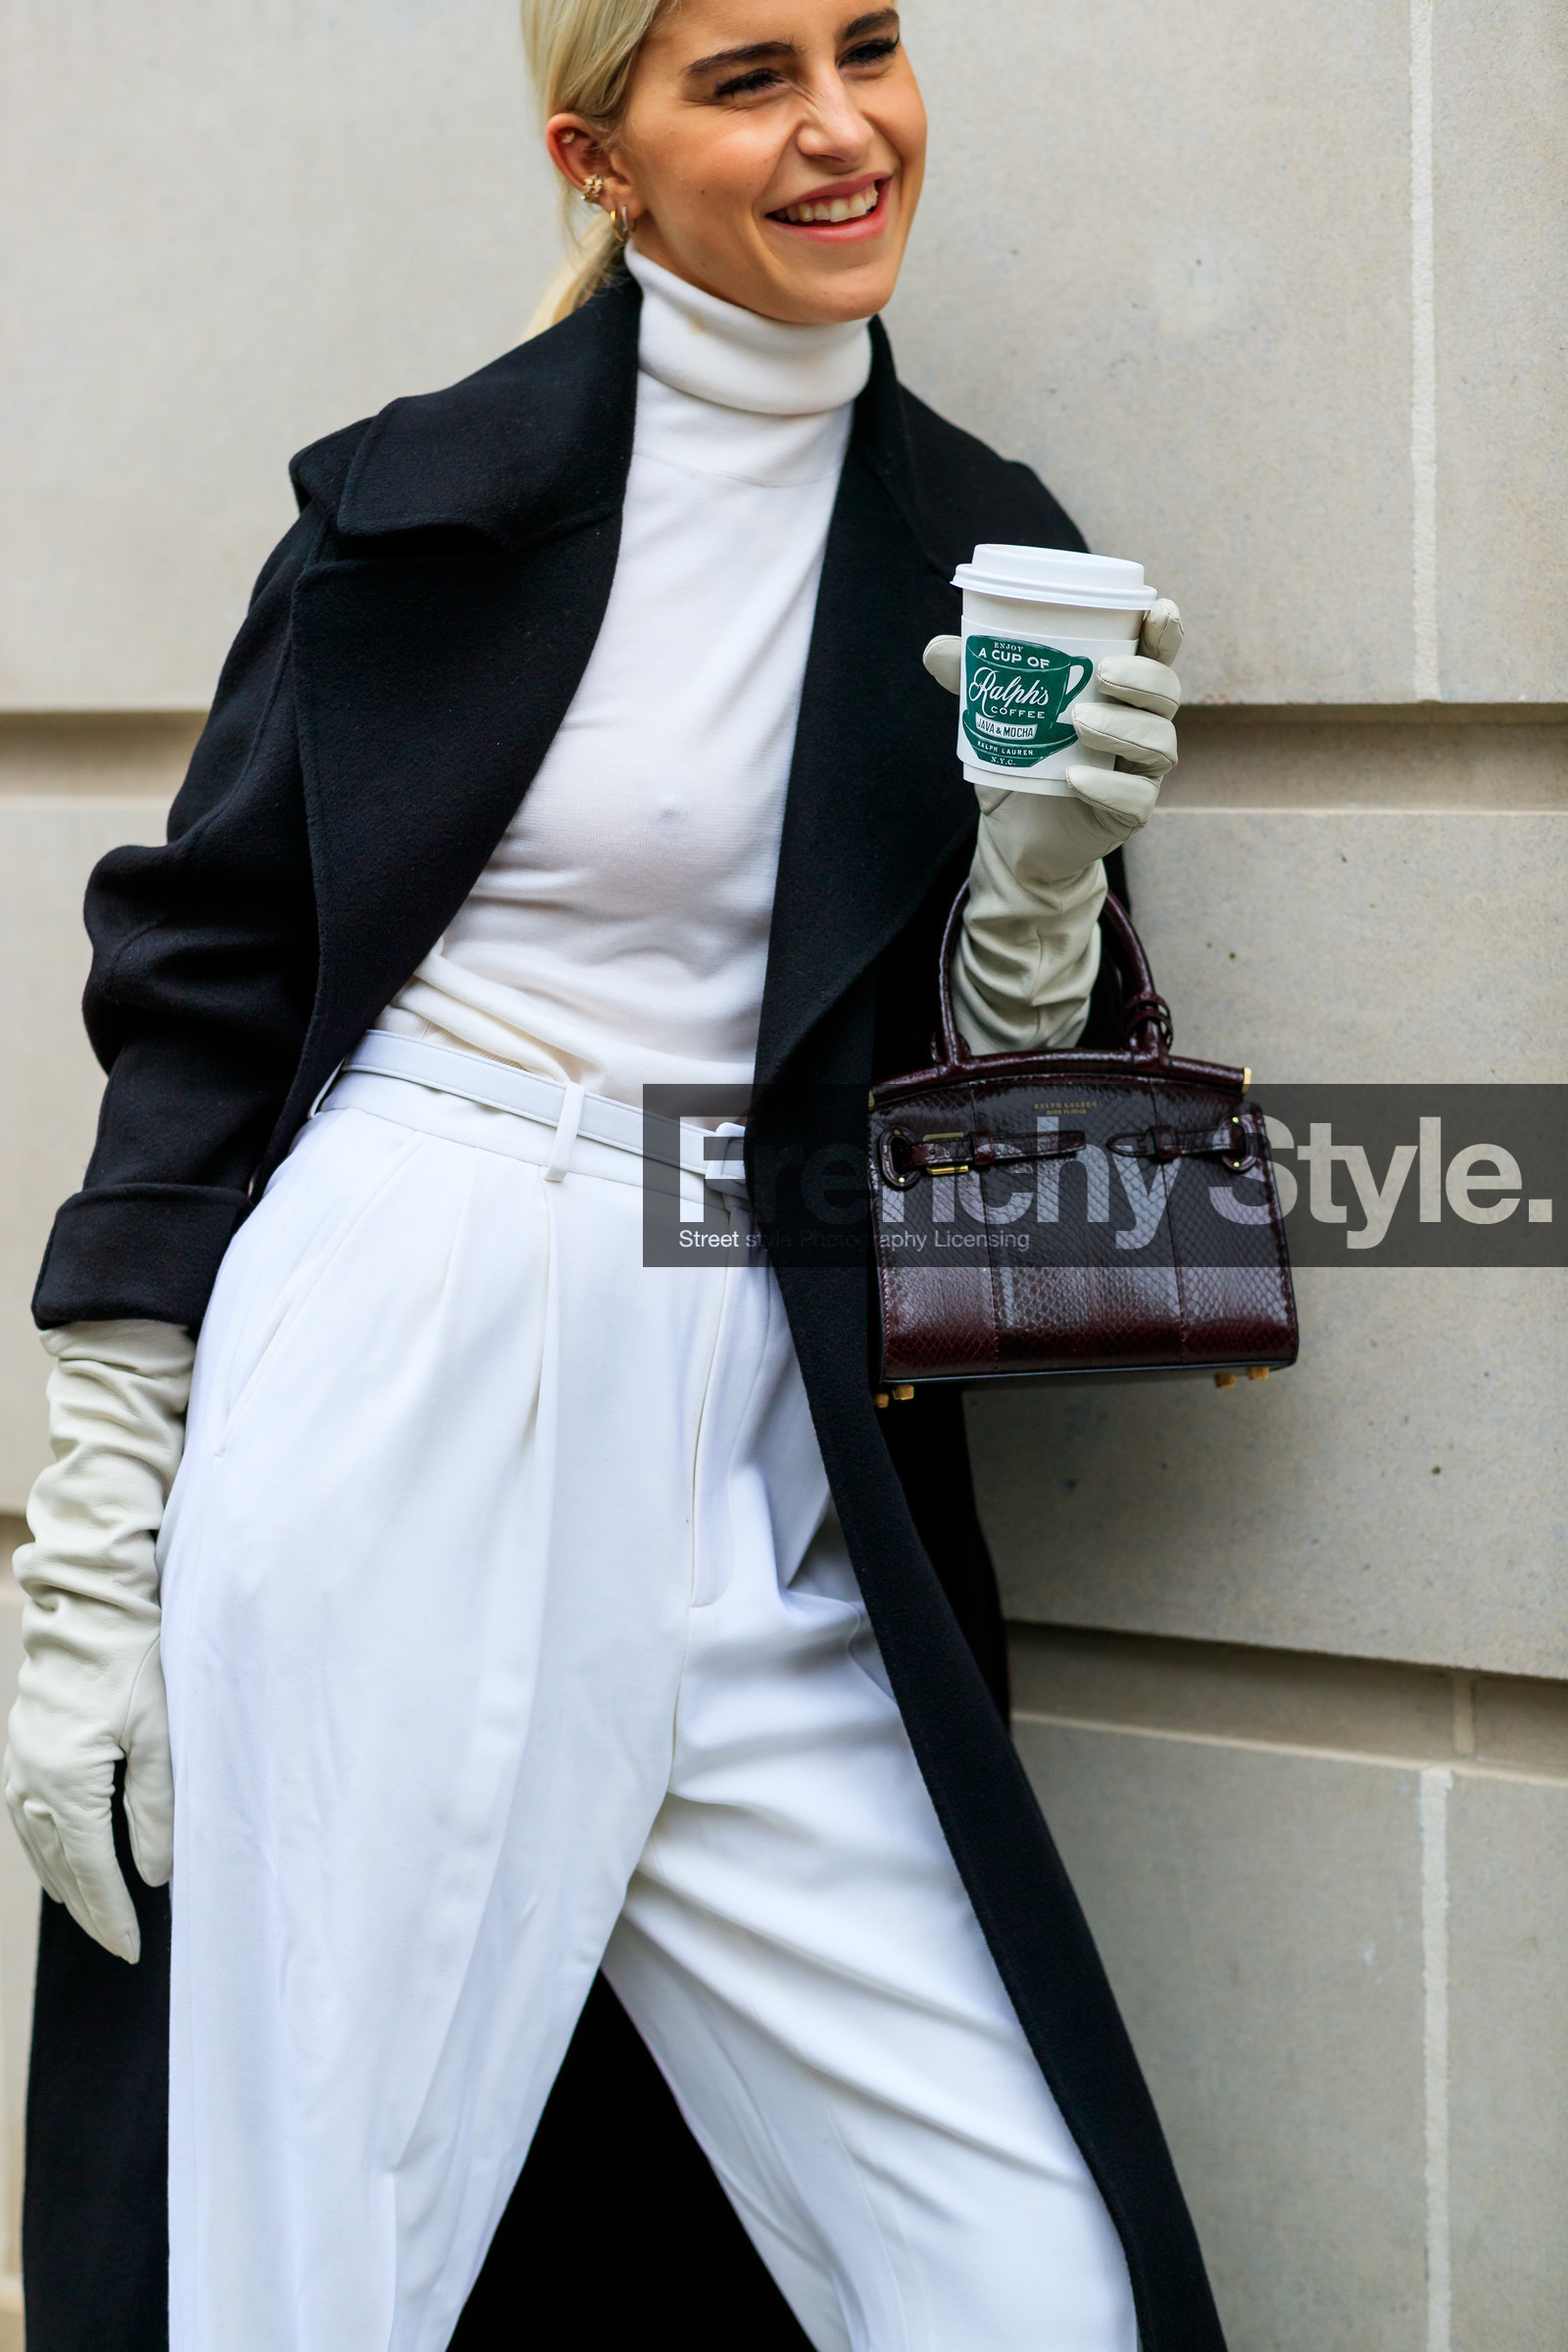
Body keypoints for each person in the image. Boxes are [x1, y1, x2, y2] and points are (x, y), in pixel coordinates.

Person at [5, 4, 1216, 2348]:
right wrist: (93, 1532)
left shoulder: (986, 543)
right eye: (744, 78)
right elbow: (203, 992)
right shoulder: (422, 498)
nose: (842, 124)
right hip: (414, 1332)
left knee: (1017, 2275)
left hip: (765, 1423)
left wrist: (1046, 882)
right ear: (600, 153)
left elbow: (992, 1147)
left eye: (866, 45)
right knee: (299, 2248)